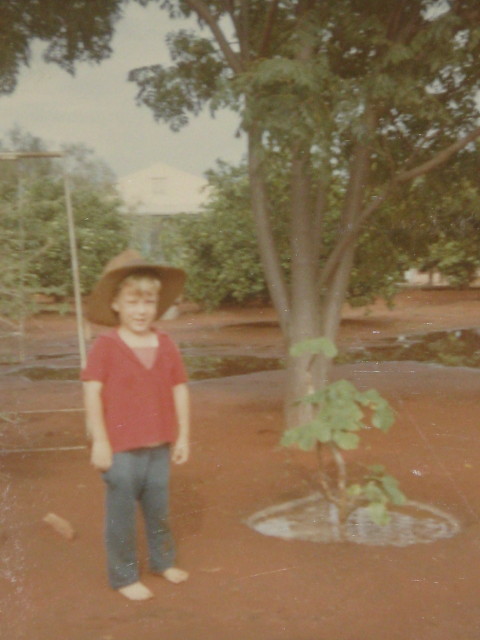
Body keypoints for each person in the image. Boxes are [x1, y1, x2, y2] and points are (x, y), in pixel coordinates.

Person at [81, 249, 190, 601]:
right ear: (116, 303)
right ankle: (124, 576)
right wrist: (99, 441)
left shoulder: (166, 344)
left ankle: (163, 561)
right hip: (120, 448)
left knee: (159, 509)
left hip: (158, 445)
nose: (141, 310)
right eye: (133, 301)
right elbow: (92, 393)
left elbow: (180, 389)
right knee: (122, 515)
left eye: (149, 301)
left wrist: (184, 435)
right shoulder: (106, 346)